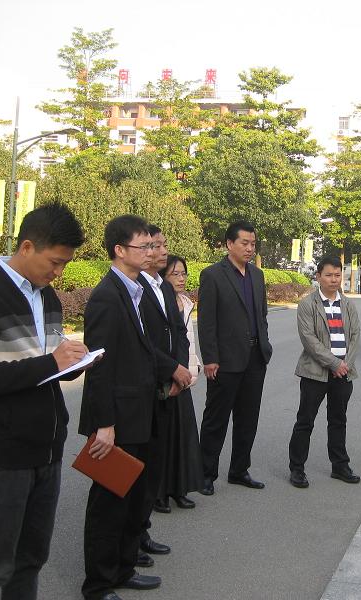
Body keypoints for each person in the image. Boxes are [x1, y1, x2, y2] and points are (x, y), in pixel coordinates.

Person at [0, 204, 86, 600]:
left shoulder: (48, 298)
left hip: (48, 449)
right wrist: (51, 362)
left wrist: (74, 363)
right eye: (55, 262)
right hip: (4, 456)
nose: (59, 272)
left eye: (65, 264)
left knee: (30, 560)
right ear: (27, 247)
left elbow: (48, 367)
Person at [78, 215, 165, 600]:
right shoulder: (106, 296)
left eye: (152, 246)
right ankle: (98, 584)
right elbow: (99, 367)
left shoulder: (135, 290)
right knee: (109, 503)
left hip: (140, 414)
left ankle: (124, 568)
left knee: (133, 498)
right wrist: (105, 424)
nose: (150, 253)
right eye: (143, 246)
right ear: (119, 250)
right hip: (117, 421)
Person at [198, 220, 273, 494]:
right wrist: (210, 358)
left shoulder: (257, 275)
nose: (250, 248)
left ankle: (239, 470)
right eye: (244, 243)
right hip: (225, 360)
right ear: (229, 244)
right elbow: (206, 321)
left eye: (253, 243)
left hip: (255, 358)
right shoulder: (212, 275)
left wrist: (265, 345)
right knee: (216, 419)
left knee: (248, 419)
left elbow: (262, 315)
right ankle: (205, 474)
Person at [135, 225, 191, 565]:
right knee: (136, 472)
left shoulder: (164, 288)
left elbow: (180, 334)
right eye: (154, 245)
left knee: (153, 464)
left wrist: (180, 370)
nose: (162, 250)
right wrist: (171, 369)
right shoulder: (134, 289)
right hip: (147, 387)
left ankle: (141, 532)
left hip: (170, 384)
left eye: (164, 244)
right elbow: (142, 344)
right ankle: (129, 541)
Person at [288, 257, 361, 489]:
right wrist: (334, 363)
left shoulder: (348, 305)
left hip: (343, 374)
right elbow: (309, 340)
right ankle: (297, 468)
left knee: (338, 420)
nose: (333, 280)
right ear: (318, 276)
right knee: (305, 421)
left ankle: (340, 466)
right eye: (328, 275)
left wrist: (345, 365)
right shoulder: (307, 304)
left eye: (337, 275)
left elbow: (355, 336)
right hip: (315, 373)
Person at [157, 254, 205, 507]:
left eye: (184, 273)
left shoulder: (186, 303)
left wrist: (192, 368)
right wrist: (171, 373)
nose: (181, 278)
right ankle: (160, 493)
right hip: (166, 377)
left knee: (183, 436)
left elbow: (188, 341)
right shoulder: (157, 302)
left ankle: (179, 488)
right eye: (175, 274)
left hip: (184, 374)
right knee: (164, 437)